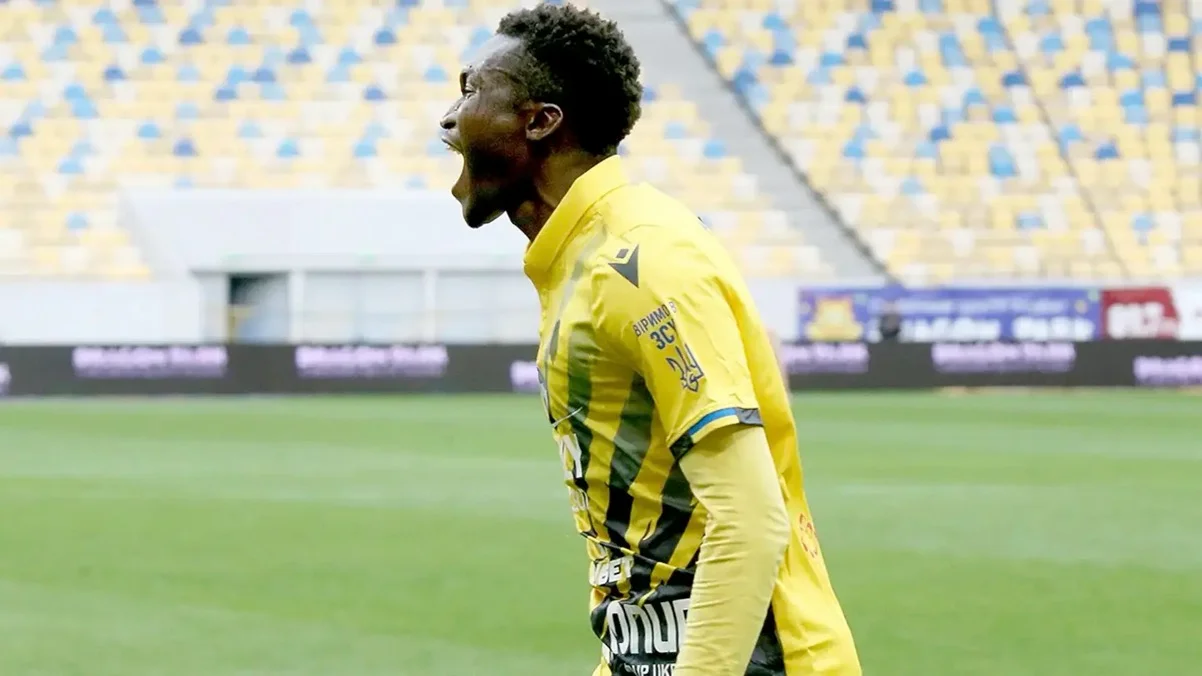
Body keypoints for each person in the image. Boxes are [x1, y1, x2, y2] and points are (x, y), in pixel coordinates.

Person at [439, 5, 861, 675]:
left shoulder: (642, 259)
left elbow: (749, 520)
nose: (450, 118)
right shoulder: (583, 256)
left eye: (471, 90)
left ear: (541, 121)